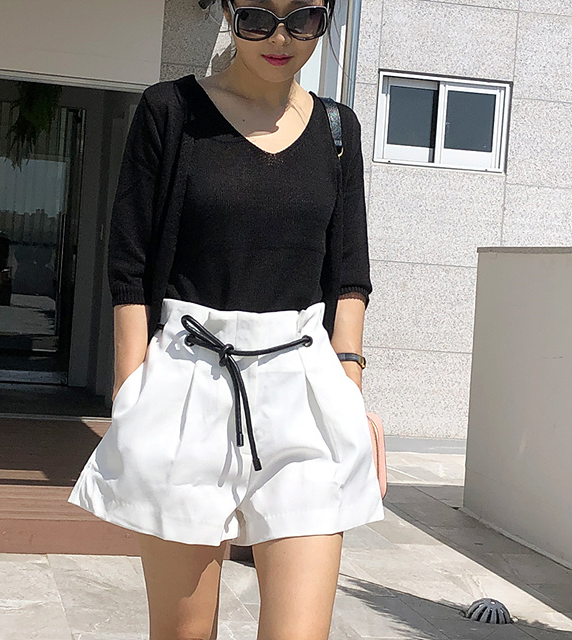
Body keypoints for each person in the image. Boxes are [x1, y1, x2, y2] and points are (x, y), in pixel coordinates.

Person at [69, 0, 385, 637]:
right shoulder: (170, 111)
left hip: (302, 383)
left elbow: (349, 272)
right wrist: (130, 392)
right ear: (226, 10)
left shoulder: (337, 129)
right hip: (190, 377)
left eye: (303, 18)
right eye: (257, 17)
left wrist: (350, 391)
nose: (279, 36)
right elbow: (130, 266)